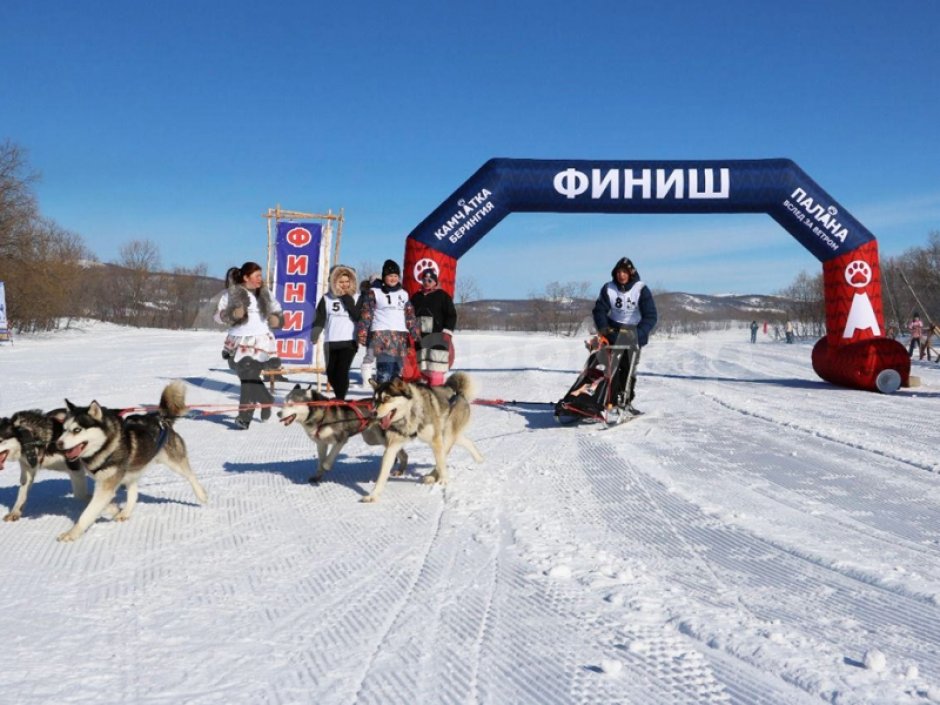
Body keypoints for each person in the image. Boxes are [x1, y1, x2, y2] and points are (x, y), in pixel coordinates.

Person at [215, 262, 284, 429]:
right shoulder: (231, 294)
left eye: (261, 275)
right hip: (238, 341)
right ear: (246, 277)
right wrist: (231, 314)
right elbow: (217, 317)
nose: (261, 279)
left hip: (260, 341)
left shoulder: (265, 294)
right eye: (257, 276)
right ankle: (266, 399)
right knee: (248, 377)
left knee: (249, 377)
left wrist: (277, 319)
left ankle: (244, 416)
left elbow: (278, 310)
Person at [591, 256, 657, 415]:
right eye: (618, 272)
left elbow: (651, 316)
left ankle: (626, 401)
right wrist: (603, 328)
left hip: (634, 333)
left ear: (631, 273)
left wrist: (639, 333)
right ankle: (609, 400)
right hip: (613, 333)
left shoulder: (641, 289)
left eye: (625, 272)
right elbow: (599, 310)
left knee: (628, 369)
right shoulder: (608, 288)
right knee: (609, 367)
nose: (621, 275)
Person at [355, 259, 420, 384]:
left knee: (397, 372)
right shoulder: (374, 292)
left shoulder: (403, 293)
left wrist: (415, 332)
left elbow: (410, 315)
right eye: (390, 276)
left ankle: (392, 395)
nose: (393, 278)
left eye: (396, 276)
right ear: (384, 277)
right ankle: (381, 391)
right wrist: (362, 332)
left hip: (400, 335)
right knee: (385, 370)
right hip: (381, 334)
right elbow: (366, 314)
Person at [311, 264, 359, 400]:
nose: (344, 285)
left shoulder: (357, 297)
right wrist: (315, 333)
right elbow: (320, 318)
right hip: (330, 341)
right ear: (334, 282)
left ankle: (340, 399)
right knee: (331, 372)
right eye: (341, 282)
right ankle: (339, 396)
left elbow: (358, 316)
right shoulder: (327, 298)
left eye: (347, 281)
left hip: (349, 341)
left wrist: (347, 299)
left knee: (342, 371)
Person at [410, 267, 457, 386]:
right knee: (424, 368)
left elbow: (451, 315)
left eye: (430, 280)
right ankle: (429, 390)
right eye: (424, 280)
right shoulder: (416, 297)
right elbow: (409, 315)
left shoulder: (442, 296)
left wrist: (447, 331)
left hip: (437, 336)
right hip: (421, 336)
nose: (427, 282)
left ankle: (437, 391)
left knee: (436, 368)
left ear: (435, 281)